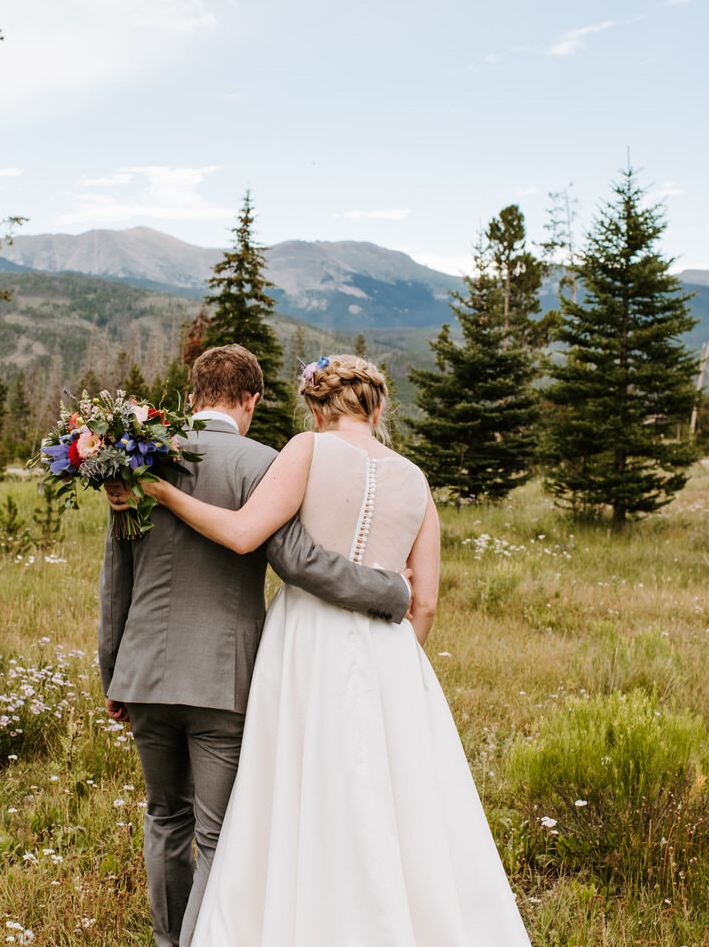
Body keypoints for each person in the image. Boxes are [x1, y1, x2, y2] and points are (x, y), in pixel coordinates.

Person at [142, 353, 534, 947]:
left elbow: (247, 534)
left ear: (316, 407)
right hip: (390, 654)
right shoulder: (416, 479)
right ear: (376, 407)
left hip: (305, 644)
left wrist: (166, 497)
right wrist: (393, 668)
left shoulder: (306, 449)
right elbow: (423, 602)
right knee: (392, 799)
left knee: (298, 785)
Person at [98, 345, 413, 947]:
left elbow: (118, 575)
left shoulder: (140, 465)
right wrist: (389, 592)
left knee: (165, 818)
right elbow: (300, 562)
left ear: (191, 398)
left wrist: (113, 672)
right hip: (223, 680)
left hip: (141, 677)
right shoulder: (264, 462)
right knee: (220, 838)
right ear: (251, 400)